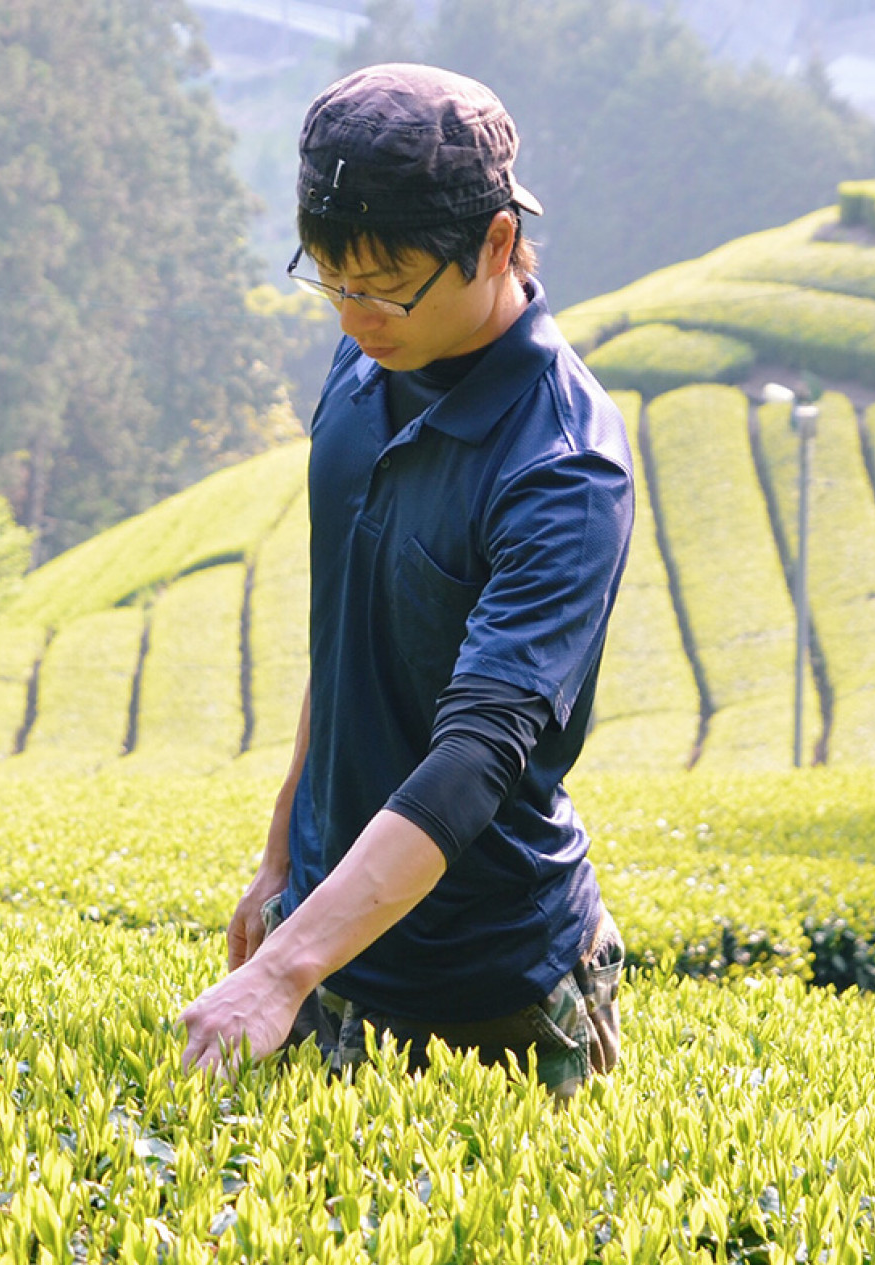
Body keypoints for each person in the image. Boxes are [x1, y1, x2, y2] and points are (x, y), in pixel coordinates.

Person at [178, 64, 632, 1098]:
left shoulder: (560, 468)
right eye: (330, 278)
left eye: (383, 285)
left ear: (498, 244)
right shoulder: (364, 363)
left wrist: (282, 967)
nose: (352, 316)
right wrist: (283, 850)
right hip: (329, 946)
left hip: (492, 990)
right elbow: (350, 634)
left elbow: (476, 756)